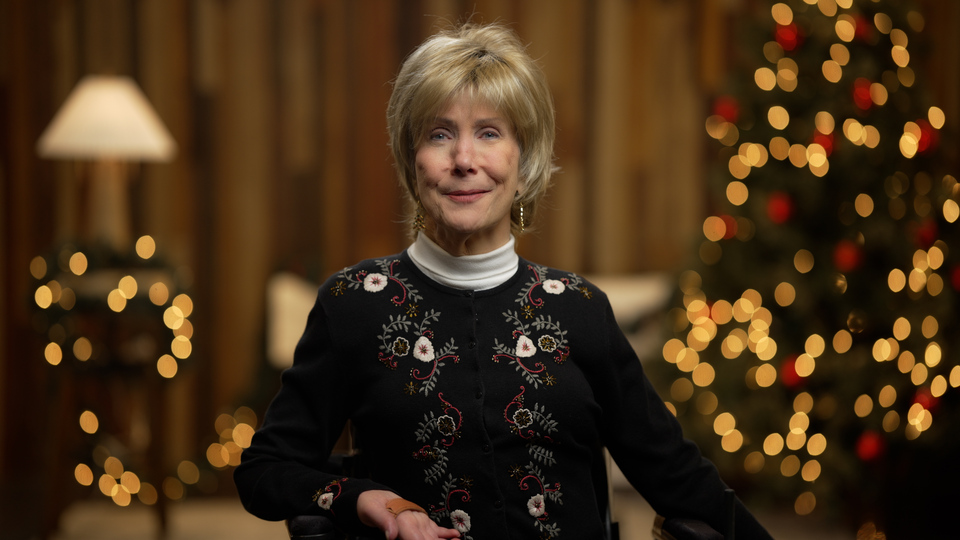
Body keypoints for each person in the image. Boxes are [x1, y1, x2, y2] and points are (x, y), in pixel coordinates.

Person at [235, 22, 774, 540]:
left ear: (525, 159)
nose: (464, 159)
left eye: (489, 133)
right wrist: (365, 498)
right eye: (439, 135)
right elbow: (264, 470)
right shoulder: (354, 304)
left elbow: (678, 478)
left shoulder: (579, 309)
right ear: (411, 159)